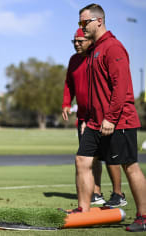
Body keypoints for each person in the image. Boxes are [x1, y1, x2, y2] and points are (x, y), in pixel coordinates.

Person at [75, 4, 146, 232]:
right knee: (82, 161)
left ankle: (144, 216)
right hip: (95, 122)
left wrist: (112, 118)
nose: (81, 27)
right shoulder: (95, 50)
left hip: (119, 121)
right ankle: (83, 212)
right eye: (79, 23)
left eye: (84, 22)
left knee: (129, 166)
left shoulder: (113, 48)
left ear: (98, 21)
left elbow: (121, 86)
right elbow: (94, 90)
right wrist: (87, 117)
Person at [62, 28, 126, 207]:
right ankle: (96, 192)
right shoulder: (74, 60)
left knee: (110, 156)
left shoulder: (96, 58)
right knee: (91, 156)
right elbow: (69, 83)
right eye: (74, 41)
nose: (76, 44)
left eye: (80, 41)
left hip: (104, 117)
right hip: (85, 117)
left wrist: (107, 116)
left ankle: (118, 193)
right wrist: (66, 103)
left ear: (90, 40)